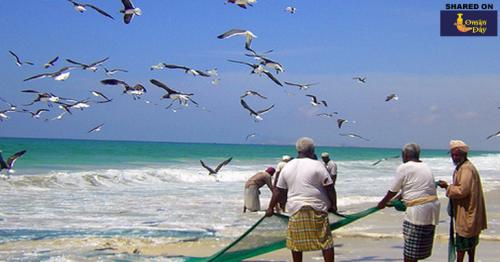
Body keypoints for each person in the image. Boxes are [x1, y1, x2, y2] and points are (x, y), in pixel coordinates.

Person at [266, 137, 337, 262]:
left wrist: (271, 207)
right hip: (317, 208)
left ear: (298, 150)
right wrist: (334, 205)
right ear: (312, 150)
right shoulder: (318, 165)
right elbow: (329, 187)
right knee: (325, 242)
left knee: (296, 244)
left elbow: (278, 191)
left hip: (295, 209)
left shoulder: (287, 167)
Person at [377, 143, 440, 262]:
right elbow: (411, 187)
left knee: (409, 253)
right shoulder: (425, 166)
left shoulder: (404, 167)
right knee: (418, 250)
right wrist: (397, 199)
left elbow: (393, 190)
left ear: (405, 155)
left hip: (418, 212)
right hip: (432, 211)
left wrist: (382, 203)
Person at [438, 140, 487, 262]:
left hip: (467, 214)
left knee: (462, 245)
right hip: (469, 213)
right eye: (453, 155)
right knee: (471, 246)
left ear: (464, 155)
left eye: (457, 155)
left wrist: (446, 187)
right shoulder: (463, 167)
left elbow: (462, 191)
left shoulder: (466, 169)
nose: (454, 157)